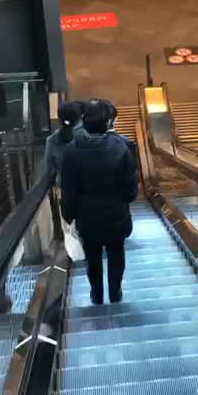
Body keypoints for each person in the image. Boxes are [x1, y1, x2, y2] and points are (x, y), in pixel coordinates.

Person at [61, 99, 138, 305]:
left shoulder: (71, 151)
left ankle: (96, 294)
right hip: (116, 215)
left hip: (87, 217)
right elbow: (131, 187)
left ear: (84, 122)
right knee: (116, 254)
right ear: (107, 123)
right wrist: (126, 199)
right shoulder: (122, 148)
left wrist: (68, 215)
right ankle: (115, 293)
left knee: (92, 257)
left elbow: (68, 190)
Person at [42, 100, 86, 190]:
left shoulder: (51, 141)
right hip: (88, 190)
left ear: (59, 120)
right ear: (80, 119)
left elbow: (49, 170)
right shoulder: (88, 137)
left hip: (66, 190)